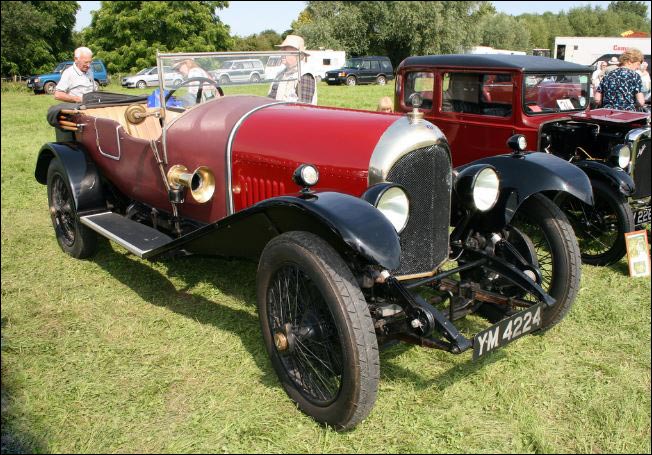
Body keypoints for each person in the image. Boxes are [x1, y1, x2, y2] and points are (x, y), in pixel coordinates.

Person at [267, 35, 317, 105]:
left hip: (292, 112)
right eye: (281, 49)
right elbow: (270, 100)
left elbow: (304, 106)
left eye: (285, 50)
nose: (281, 52)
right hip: (276, 111)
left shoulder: (305, 75)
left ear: (297, 54)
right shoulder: (280, 74)